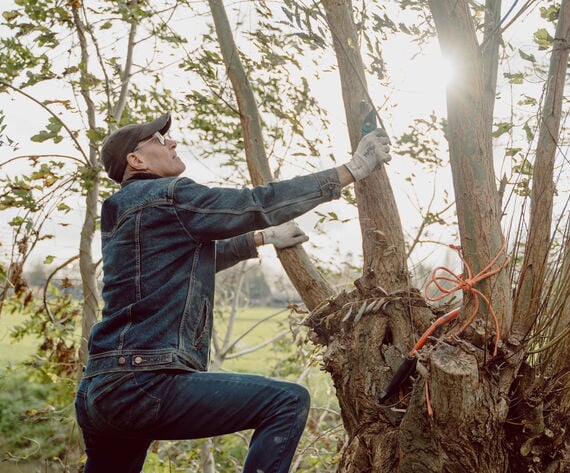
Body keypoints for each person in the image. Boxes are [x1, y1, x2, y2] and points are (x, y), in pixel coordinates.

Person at [74, 112, 391, 473]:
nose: (172, 142)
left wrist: (260, 239)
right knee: (286, 402)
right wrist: (351, 170)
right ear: (136, 160)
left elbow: (183, 263)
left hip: (99, 391)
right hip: (142, 382)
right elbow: (255, 204)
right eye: (159, 141)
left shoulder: (122, 210)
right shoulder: (167, 195)